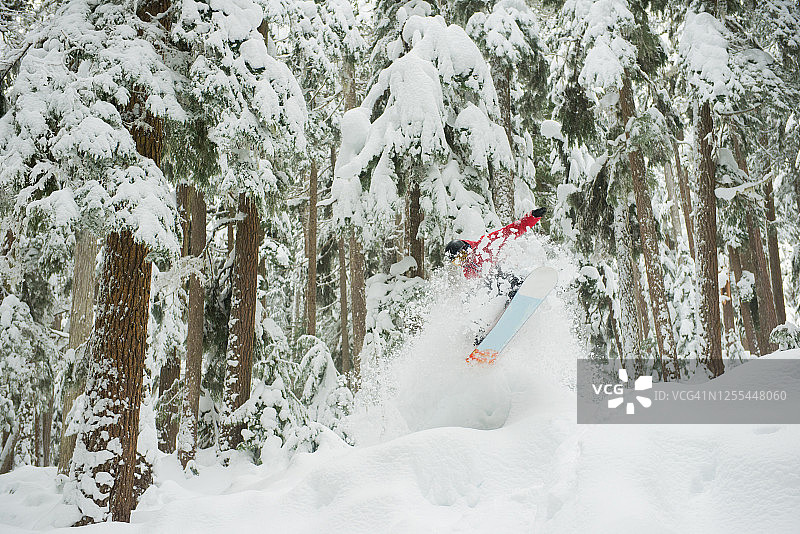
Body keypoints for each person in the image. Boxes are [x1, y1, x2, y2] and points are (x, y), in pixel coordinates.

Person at [445, 207, 546, 345]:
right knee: (471, 298)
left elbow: (510, 231)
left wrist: (532, 217)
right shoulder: (467, 272)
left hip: (506, 277)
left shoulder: (484, 245)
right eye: (458, 261)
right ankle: (482, 331)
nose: (463, 261)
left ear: (468, 248)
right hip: (492, 293)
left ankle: (517, 290)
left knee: (496, 277)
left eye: (463, 256)